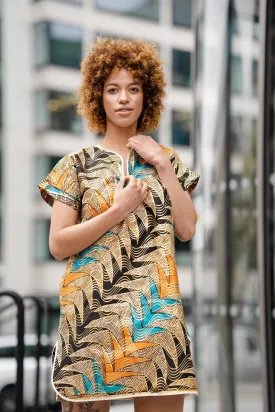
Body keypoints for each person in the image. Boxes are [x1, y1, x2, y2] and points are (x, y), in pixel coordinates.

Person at [38, 37, 200, 412]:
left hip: (156, 324)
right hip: (90, 324)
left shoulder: (169, 162)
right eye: (113, 89)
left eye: (133, 88)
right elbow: (59, 245)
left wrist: (160, 163)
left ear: (147, 96)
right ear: (99, 97)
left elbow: (188, 229)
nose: (124, 98)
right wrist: (117, 210)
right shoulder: (75, 165)